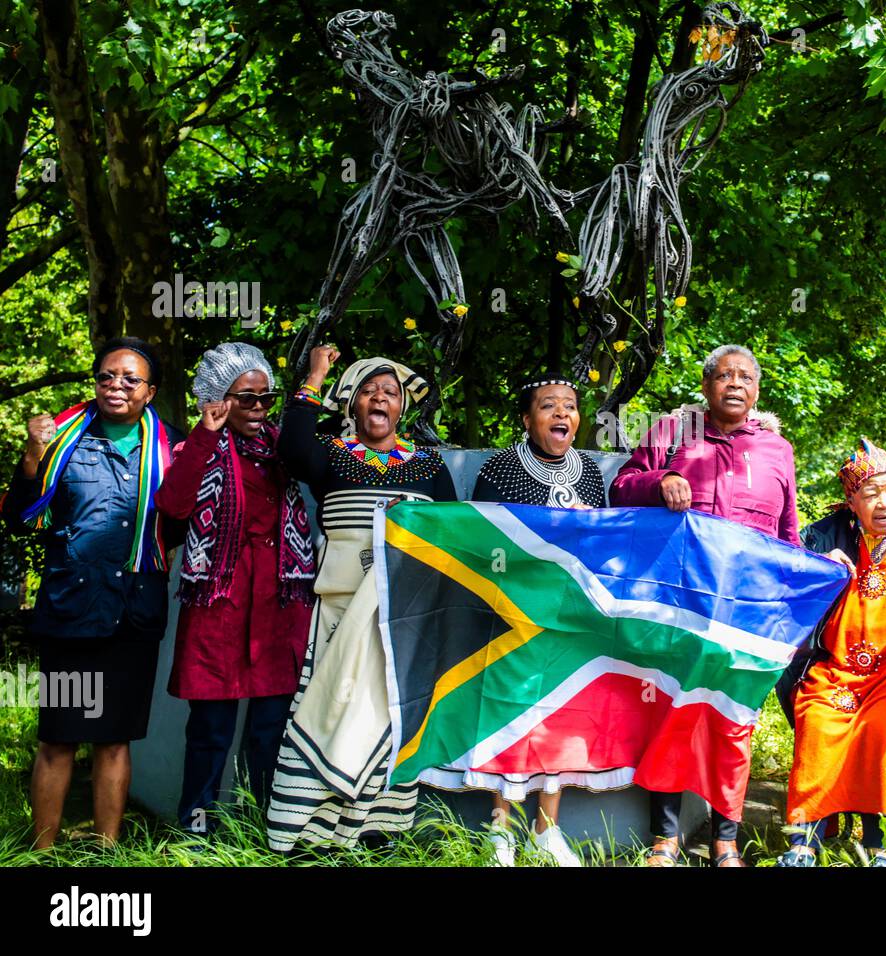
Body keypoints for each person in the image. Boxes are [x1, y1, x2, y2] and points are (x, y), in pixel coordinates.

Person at [610, 343, 799, 867]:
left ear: (757, 390)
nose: (735, 383)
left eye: (746, 376)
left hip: (749, 613)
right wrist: (660, 481)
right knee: (674, 710)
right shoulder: (673, 433)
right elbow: (621, 488)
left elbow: (788, 537)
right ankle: (664, 840)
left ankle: (725, 840)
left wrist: (817, 576)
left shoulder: (777, 449)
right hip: (681, 603)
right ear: (706, 383)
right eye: (724, 375)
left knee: (732, 724)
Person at [265, 346, 457, 851]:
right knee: (329, 709)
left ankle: (378, 830)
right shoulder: (330, 453)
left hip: (402, 619)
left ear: (401, 409)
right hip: (338, 609)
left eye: (390, 392)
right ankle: (310, 832)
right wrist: (316, 376)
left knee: (388, 717)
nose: (380, 398)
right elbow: (290, 448)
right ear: (352, 405)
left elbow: (454, 537)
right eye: (369, 391)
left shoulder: (429, 465)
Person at [422, 373, 613, 867]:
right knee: (509, 714)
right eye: (548, 406)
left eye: (569, 406)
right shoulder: (503, 469)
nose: (561, 414)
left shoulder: (590, 472)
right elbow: (484, 540)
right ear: (527, 420)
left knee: (560, 716)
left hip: (570, 617)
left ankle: (547, 829)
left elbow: (601, 542)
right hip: (511, 615)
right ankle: (501, 830)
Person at [2, 337, 183, 848]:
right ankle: (41, 853)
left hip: (133, 611)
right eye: (107, 376)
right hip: (70, 610)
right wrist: (33, 451)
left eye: (131, 379)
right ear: (95, 382)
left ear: (150, 391)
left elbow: (184, 519)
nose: (117, 386)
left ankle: (108, 850)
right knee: (58, 739)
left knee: (113, 739)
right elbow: (18, 516)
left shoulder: (174, 445)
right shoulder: (62, 438)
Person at [153, 343, 315, 834]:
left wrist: (315, 380)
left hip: (278, 603)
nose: (259, 407)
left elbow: (320, 460)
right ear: (217, 399)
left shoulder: (282, 449)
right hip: (219, 604)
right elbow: (174, 505)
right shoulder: (197, 448)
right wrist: (206, 433)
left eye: (266, 397)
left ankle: (259, 827)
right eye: (246, 398)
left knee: (269, 729)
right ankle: (197, 828)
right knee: (210, 730)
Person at [774, 438, 886, 866]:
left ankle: (880, 846)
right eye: (871, 494)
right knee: (819, 722)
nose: (885, 503)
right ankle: (804, 844)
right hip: (834, 669)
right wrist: (817, 567)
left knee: (884, 726)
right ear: (851, 501)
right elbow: (784, 575)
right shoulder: (821, 536)